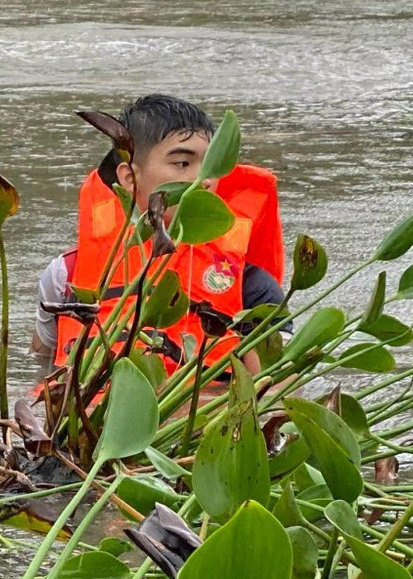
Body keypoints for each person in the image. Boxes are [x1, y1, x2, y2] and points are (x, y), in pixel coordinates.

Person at [36, 94, 285, 373]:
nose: (203, 180)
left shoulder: (253, 288)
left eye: (211, 165)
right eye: (182, 164)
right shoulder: (64, 276)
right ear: (129, 178)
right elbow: (41, 368)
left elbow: (276, 390)